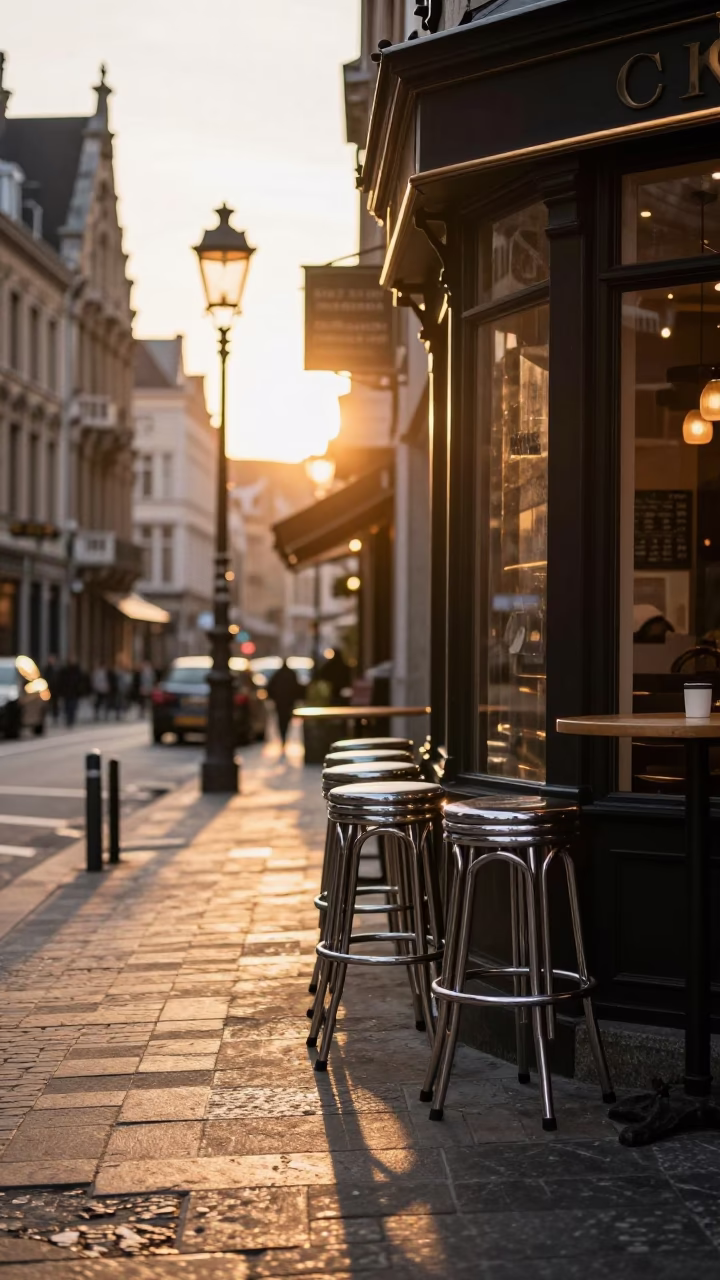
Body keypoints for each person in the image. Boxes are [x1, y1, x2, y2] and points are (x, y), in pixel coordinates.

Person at [267, 659, 302, 752]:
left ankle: (283, 737)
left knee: (281, 721)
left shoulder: (277, 674)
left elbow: (269, 687)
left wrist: (273, 697)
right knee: (286, 721)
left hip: (280, 702)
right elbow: (297, 688)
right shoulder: (291, 674)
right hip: (289, 702)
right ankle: (284, 737)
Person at [58, 657, 84, 728]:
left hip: (74, 692)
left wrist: (80, 690)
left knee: (72, 706)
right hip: (67, 692)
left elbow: (81, 681)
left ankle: (71, 720)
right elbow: (61, 681)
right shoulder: (64, 671)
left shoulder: (77, 671)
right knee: (67, 707)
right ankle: (69, 719)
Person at [44, 654, 61, 723]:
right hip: (48, 689)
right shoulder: (47, 669)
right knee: (48, 704)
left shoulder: (57, 669)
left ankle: (55, 716)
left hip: (56, 690)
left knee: (55, 704)